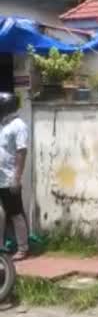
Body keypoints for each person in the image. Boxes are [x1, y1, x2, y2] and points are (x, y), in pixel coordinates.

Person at [0, 93, 29, 261]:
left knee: (16, 213)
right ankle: (1, 248)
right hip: (0, 177)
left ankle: (23, 248)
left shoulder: (19, 125)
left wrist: (16, 178)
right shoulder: (3, 125)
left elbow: (21, 152)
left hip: (10, 178)